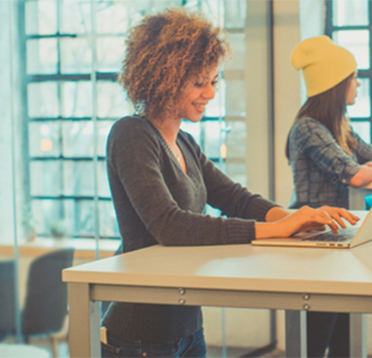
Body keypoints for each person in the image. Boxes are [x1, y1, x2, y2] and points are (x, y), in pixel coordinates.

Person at [102, 10, 357, 357]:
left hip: (188, 326)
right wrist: (280, 229)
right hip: (140, 333)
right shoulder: (131, 135)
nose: (210, 92)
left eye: (214, 80)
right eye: (198, 82)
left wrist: (299, 218)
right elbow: (170, 226)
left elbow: (234, 197)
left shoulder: (185, 143)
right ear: (163, 79)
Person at [286, 36, 372, 357]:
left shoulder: (339, 125)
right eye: (353, 78)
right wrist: (369, 169)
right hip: (313, 240)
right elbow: (356, 173)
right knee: (319, 336)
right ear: (335, 84)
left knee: (344, 331)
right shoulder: (308, 128)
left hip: (337, 234)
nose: (358, 85)